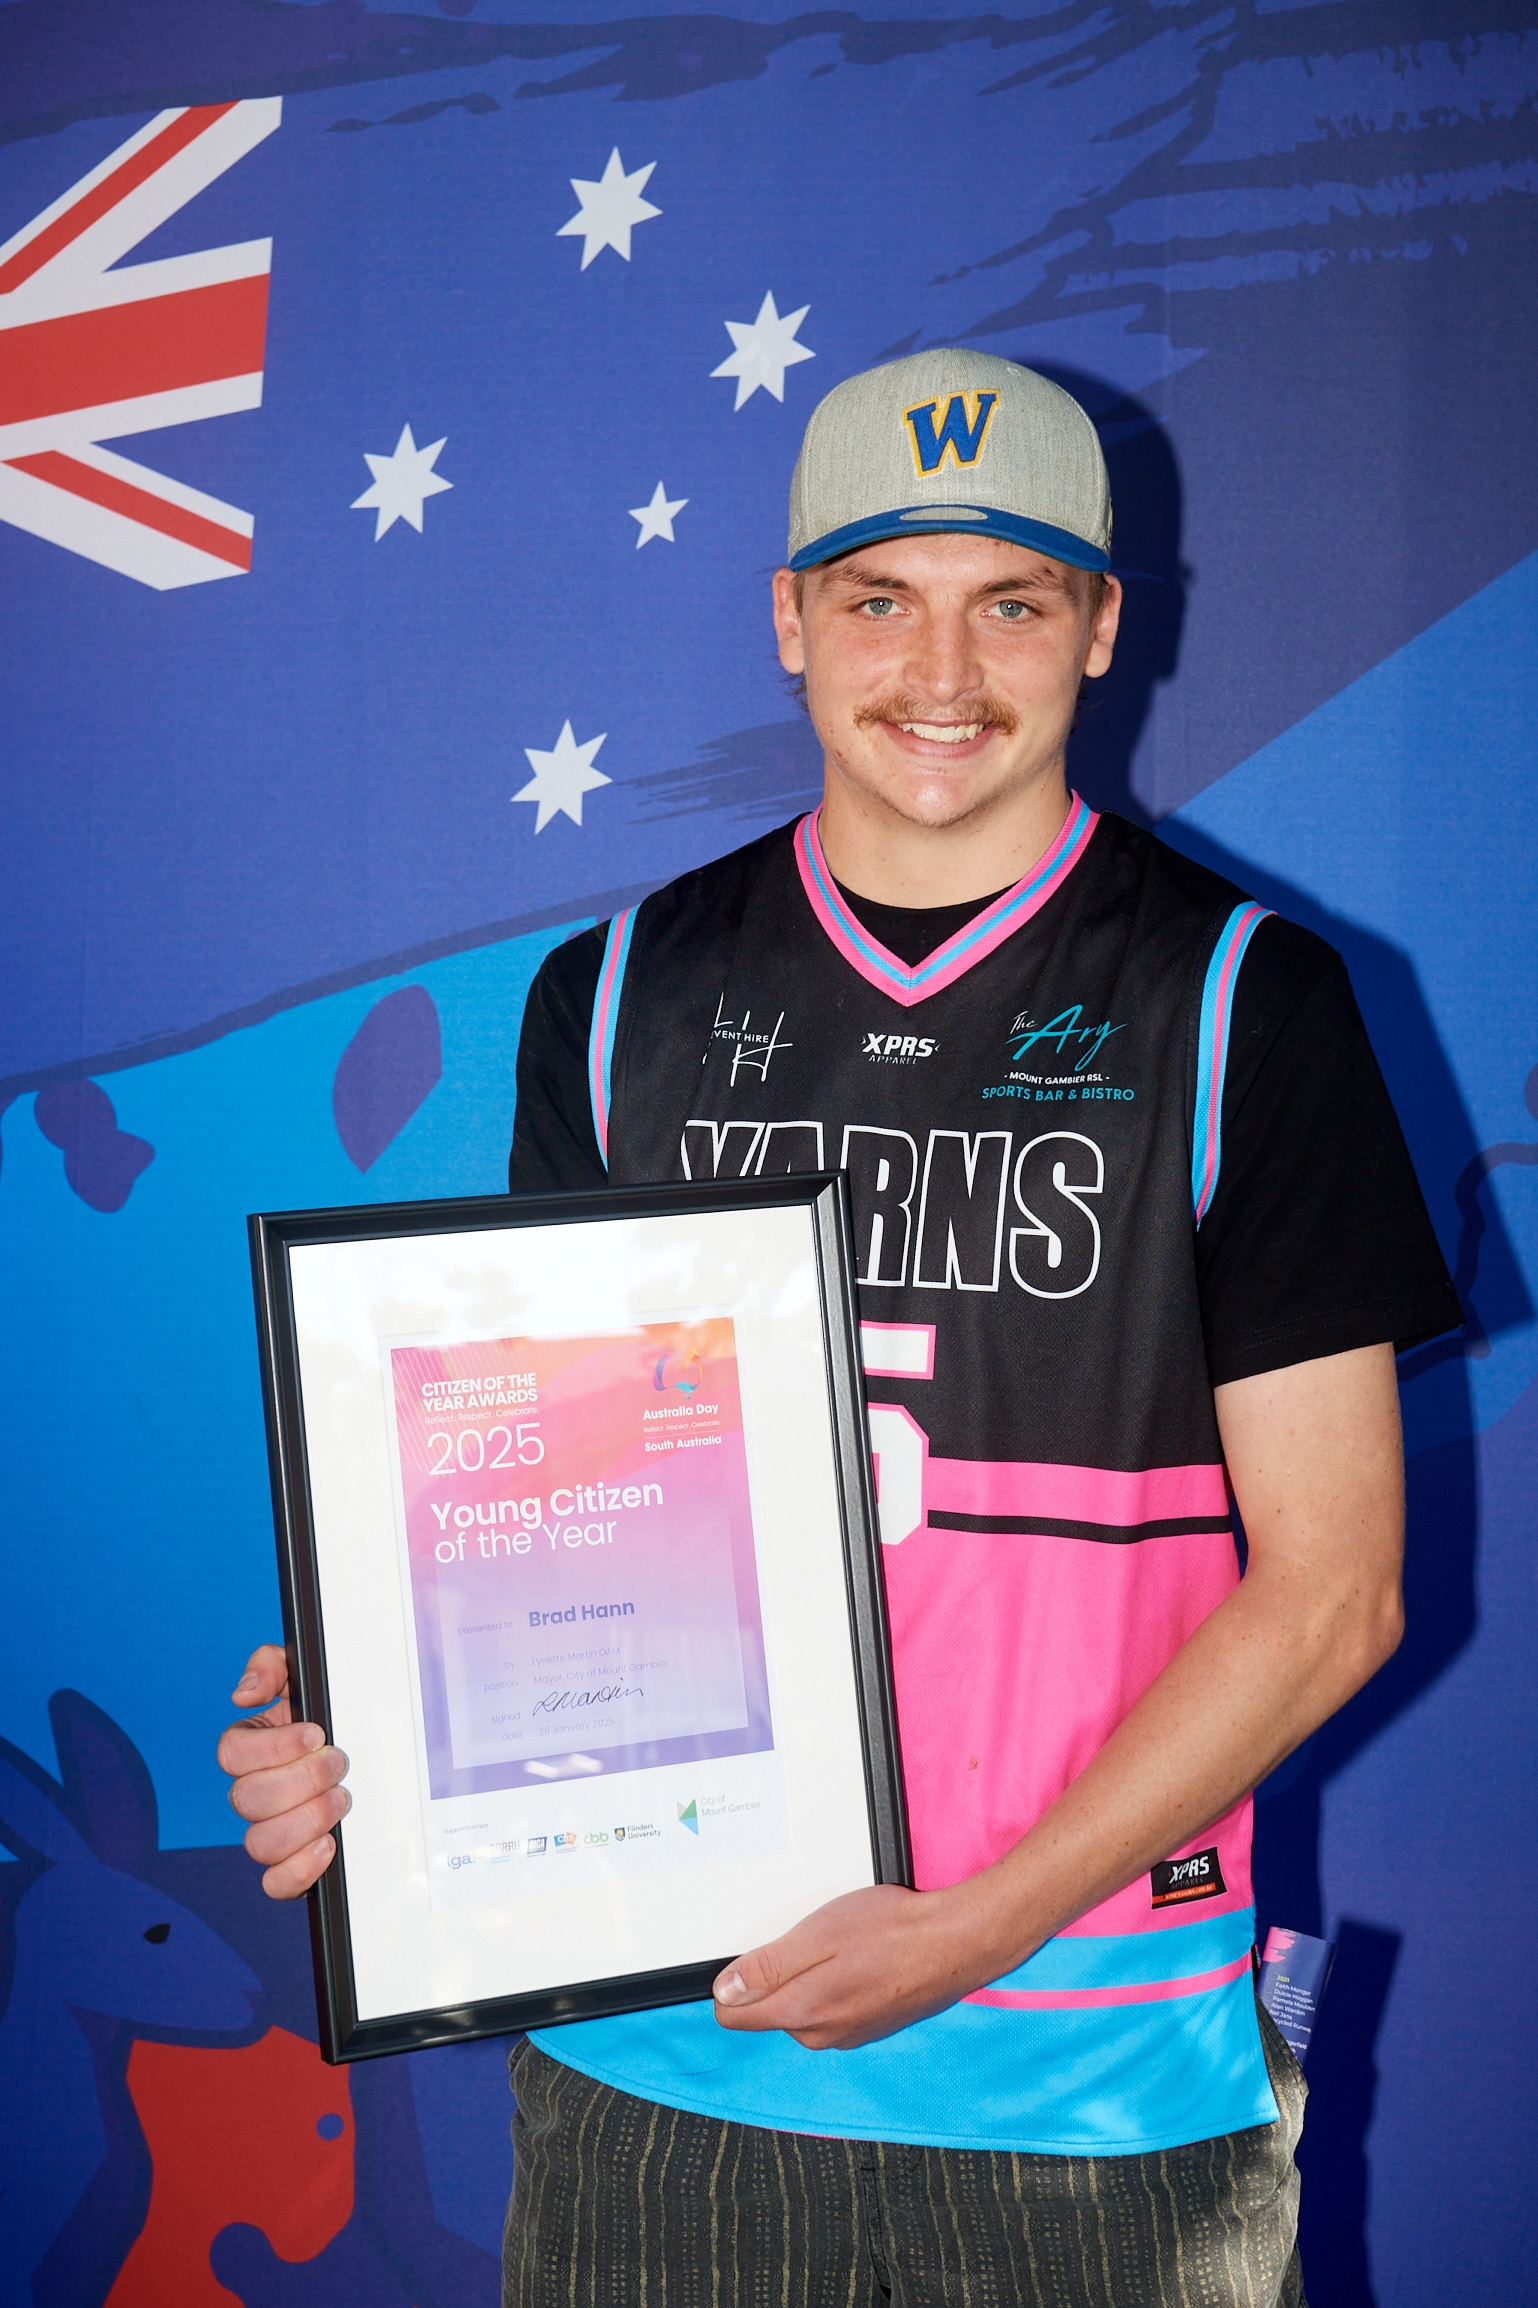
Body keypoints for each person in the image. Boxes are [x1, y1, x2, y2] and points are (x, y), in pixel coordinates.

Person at [221, 351, 1461, 2306]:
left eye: (1010, 603)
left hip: (1087, 2075)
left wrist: (975, 1924)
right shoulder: (616, 992)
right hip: (666, 2044)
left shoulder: (1245, 999)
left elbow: (1334, 1594)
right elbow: (542, 1495)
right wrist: (378, 1710)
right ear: (791, 617)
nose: (940, 672)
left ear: (1102, 626)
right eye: (880, 598)